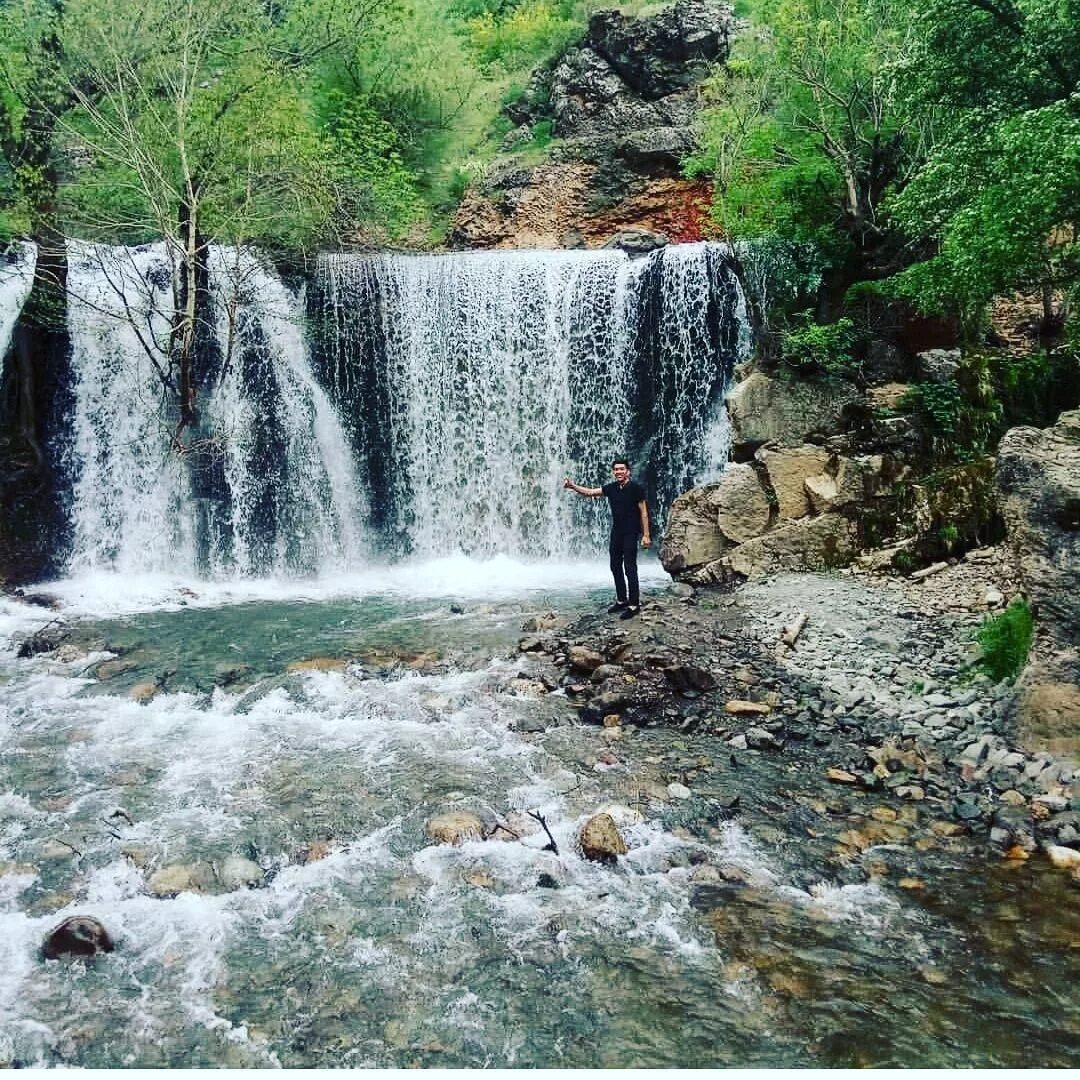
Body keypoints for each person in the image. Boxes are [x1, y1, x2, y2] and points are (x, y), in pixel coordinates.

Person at [564, 458, 651, 619]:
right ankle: (621, 600)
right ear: (613, 472)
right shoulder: (611, 488)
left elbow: (644, 513)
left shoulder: (636, 489)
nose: (618, 472)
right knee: (614, 566)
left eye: (621, 469)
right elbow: (590, 492)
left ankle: (634, 604)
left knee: (630, 567)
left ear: (628, 471)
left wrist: (646, 535)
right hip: (616, 532)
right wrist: (572, 486)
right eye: (616, 469)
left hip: (631, 532)